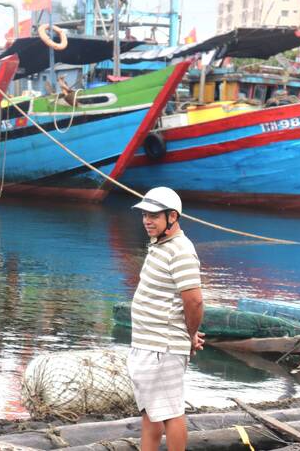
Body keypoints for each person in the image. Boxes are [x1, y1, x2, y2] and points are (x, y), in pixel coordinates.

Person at [129, 187, 204, 451]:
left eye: (153, 215)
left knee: (171, 411)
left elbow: (194, 300)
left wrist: (190, 334)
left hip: (164, 347)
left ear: (172, 217)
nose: (147, 221)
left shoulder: (180, 250)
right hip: (150, 344)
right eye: (144, 215)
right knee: (151, 412)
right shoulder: (160, 246)